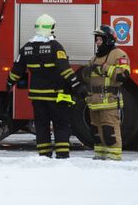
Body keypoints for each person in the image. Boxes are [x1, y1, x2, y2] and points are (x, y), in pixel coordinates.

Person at [7, 14, 78, 158]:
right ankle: (62, 155)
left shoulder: (27, 48)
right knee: (61, 124)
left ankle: (44, 154)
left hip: (37, 95)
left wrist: (9, 82)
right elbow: (64, 68)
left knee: (41, 125)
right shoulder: (55, 46)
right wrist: (76, 83)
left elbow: (17, 70)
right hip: (55, 94)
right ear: (51, 28)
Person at [81, 25, 131, 161]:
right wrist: (86, 72)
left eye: (99, 39)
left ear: (108, 39)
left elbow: (123, 75)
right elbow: (86, 78)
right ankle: (100, 156)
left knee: (110, 131)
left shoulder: (119, 54)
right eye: (96, 39)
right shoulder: (94, 57)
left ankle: (113, 158)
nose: (97, 42)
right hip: (94, 103)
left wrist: (104, 68)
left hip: (110, 101)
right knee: (96, 132)